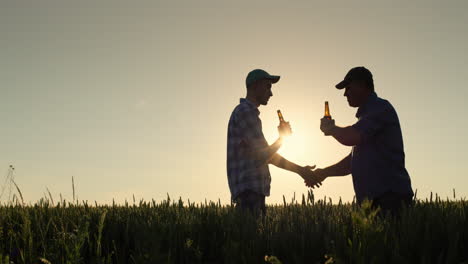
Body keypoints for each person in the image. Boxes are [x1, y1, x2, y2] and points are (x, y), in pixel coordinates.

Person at [310, 66, 414, 215]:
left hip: (389, 198)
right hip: (374, 200)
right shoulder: (367, 116)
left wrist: (331, 129)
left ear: (362, 85)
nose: (345, 94)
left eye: (348, 88)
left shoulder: (379, 108)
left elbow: (351, 137)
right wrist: (324, 173)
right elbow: (352, 162)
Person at [227, 69, 320, 215]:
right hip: (249, 191)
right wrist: (282, 138)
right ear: (256, 85)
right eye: (268, 87)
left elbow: (268, 156)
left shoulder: (246, 113)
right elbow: (262, 156)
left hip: (251, 190)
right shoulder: (246, 112)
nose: (271, 93)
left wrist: (301, 170)